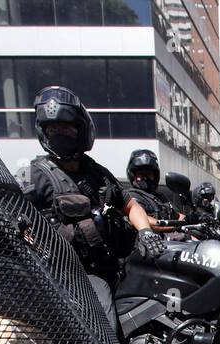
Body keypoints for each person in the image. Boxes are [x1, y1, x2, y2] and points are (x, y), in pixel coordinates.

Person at [16, 86, 161, 288]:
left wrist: (146, 232)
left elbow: (130, 205)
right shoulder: (32, 175)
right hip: (68, 277)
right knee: (104, 319)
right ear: (44, 131)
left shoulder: (97, 173)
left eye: (66, 128)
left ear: (81, 130)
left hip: (112, 267)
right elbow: (8, 213)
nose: (60, 134)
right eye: (53, 129)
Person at [123, 148, 183, 230]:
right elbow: (143, 220)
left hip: (170, 241)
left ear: (155, 175)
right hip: (146, 241)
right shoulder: (130, 197)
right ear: (133, 176)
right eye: (141, 174)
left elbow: (178, 216)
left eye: (148, 174)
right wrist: (174, 227)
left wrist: (193, 221)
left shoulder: (160, 198)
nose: (145, 177)